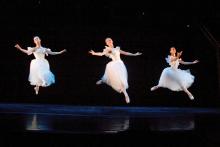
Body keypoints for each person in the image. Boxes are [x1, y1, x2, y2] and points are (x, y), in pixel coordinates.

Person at [89, 37, 142, 103]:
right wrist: (94, 53)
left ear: (112, 41)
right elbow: (101, 54)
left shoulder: (117, 48)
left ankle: (126, 95)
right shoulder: (107, 49)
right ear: (106, 43)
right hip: (113, 65)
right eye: (107, 41)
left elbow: (126, 53)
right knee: (111, 75)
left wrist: (135, 54)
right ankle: (103, 80)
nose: (109, 41)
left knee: (122, 81)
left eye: (110, 40)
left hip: (120, 64)